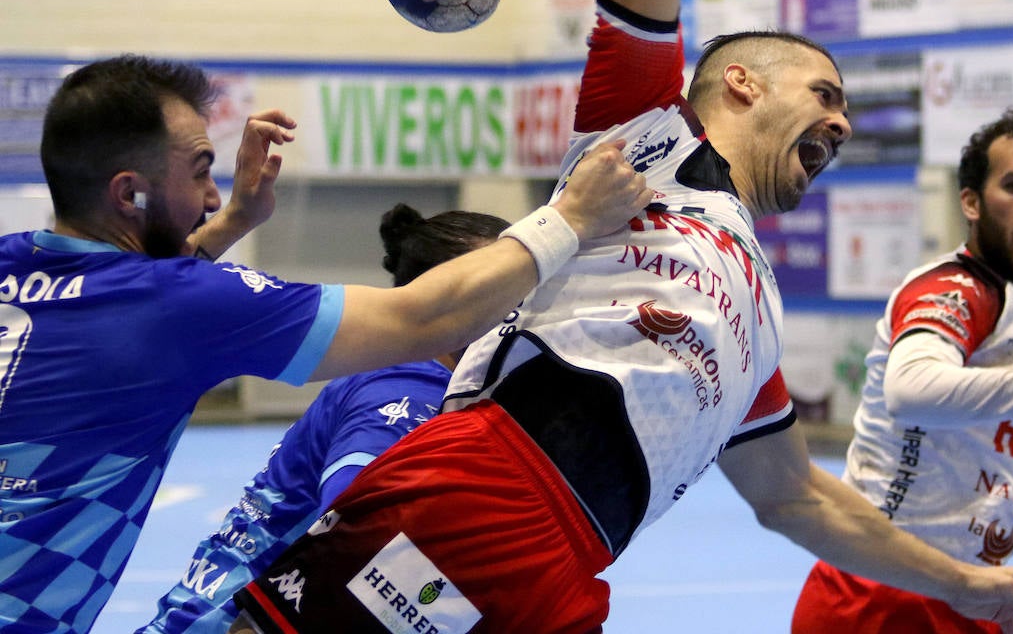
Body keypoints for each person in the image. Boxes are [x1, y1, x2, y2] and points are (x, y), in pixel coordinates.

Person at [233, 0, 1013, 634]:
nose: (840, 123)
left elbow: (794, 495)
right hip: (484, 484)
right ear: (743, 84)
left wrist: (967, 583)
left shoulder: (759, 309)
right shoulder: (648, 133)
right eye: (824, 95)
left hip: (573, 569)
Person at [0, 54, 650, 634]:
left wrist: (235, 223)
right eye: (201, 171)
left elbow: (129, 302)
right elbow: (426, 319)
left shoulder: (22, 271)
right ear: (129, 193)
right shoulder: (185, 310)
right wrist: (570, 219)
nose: (211, 194)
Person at [791, 109, 1013, 634]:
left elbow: (1001, 483)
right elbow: (911, 388)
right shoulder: (956, 288)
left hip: (974, 593)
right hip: (882, 595)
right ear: (971, 202)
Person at [139, 204, 510, 634]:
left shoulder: (439, 384)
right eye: (513, 288)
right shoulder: (406, 392)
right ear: (456, 297)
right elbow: (360, 538)